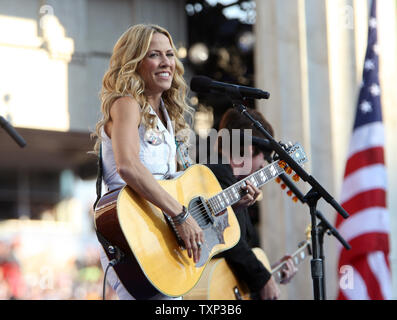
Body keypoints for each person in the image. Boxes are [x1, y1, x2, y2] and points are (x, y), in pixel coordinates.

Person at [92, 24, 257, 300]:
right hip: (132, 232)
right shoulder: (126, 104)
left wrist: (229, 203)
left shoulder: (169, 118)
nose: (166, 61)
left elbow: (182, 192)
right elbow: (128, 167)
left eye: (169, 54)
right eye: (154, 54)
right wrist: (180, 216)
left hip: (162, 234)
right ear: (134, 61)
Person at [206, 108, 298, 300]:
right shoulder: (215, 174)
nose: (264, 164)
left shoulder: (236, 187)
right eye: (263, 156)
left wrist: (271, 273)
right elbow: (229, 241)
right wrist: (263, 278)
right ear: (249, 149)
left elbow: (230, 264)